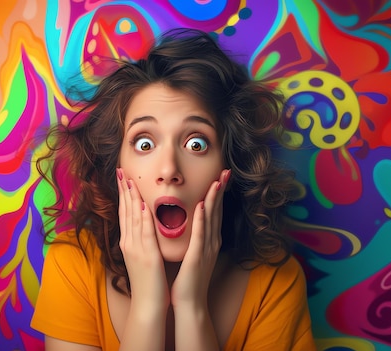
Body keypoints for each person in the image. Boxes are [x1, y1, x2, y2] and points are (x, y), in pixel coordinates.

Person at [31, 28, 315, 351]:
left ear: (229, 167)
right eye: (145, 142)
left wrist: (192, 308)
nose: (169, 170)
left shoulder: (275, 281)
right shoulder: (74, 264)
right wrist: (149, 305)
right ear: (117, 167)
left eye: (196, 143)